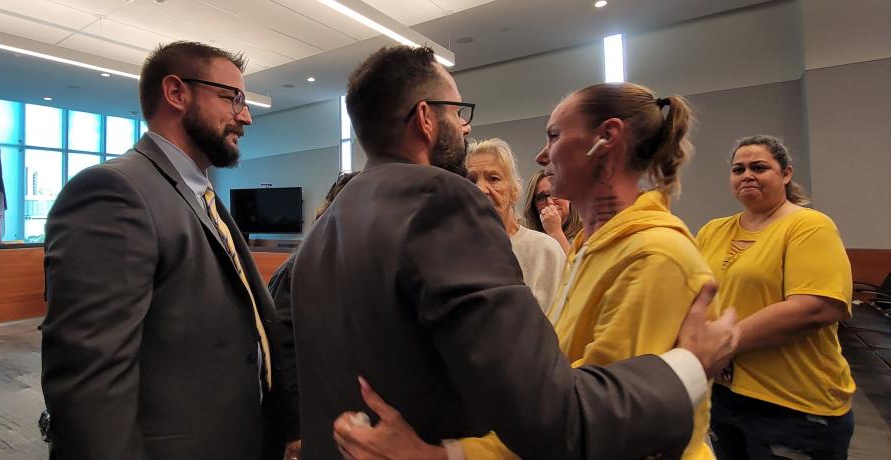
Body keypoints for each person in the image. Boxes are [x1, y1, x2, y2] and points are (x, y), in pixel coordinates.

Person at [291, 45, 738, 460]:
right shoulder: (440, 199)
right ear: (425, 118)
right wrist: (691, 365)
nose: (465, 127)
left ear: (609, 140)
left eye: (554, 135)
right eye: (458, 112)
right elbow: (557, 416)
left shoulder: (326, 226)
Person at [42, 41, 298, 460]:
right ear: (176, 93)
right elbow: (89, 382)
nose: (246, 116)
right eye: (232, 98)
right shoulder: (114, 191)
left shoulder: (202, 195)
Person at [697, 135, 855, 460]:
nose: (747, 175)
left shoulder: (808, 226)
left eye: (759, 167)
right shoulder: (713, 230)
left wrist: (718, 342)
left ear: (786, 174)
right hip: (724, 395)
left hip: (791, 405)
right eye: (738, 169)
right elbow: (692, 293)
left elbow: (814, 308)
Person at [266, 170, 361, 460]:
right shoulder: (298, 270)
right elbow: (281, 352)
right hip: (307, 423)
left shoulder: (341, 264)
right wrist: (295, 430)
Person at [466, 138, 564, 310]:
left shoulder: (544, 251)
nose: (480, 188)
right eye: (472, 180)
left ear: (514, 190)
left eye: (493, 178)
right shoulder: (453, 254)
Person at [523, 170, 582, 253]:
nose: (550, 202)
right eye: (541, 198)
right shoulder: (530, 242)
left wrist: (555, 232)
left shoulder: (586, 233)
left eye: (555, 193)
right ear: (534, 207)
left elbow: (574, 265)